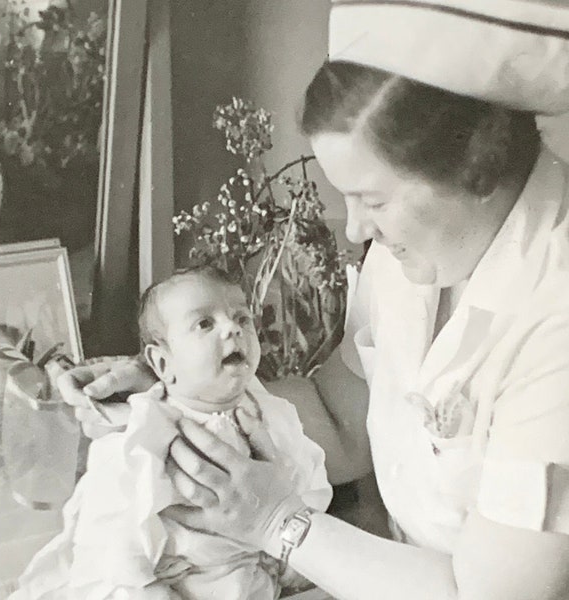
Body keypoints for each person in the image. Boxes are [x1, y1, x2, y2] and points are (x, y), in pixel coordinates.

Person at [59, 1, 569, 598]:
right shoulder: (414, 259)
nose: (354, 231)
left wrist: (278, 522)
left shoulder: (554, 320)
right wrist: (182, 397)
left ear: (477, 171)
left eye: (373, 200)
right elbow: (338, 415)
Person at [12, 266, 331, 600]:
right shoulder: (147, 430)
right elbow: (113, 527)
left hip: (261, 574)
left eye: (242, 318)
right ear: (162, 365)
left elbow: (308, 480)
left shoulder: (274, 413)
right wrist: (146, 587)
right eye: (204, 323)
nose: (232, 329)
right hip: (183, 581)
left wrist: (294, 554)